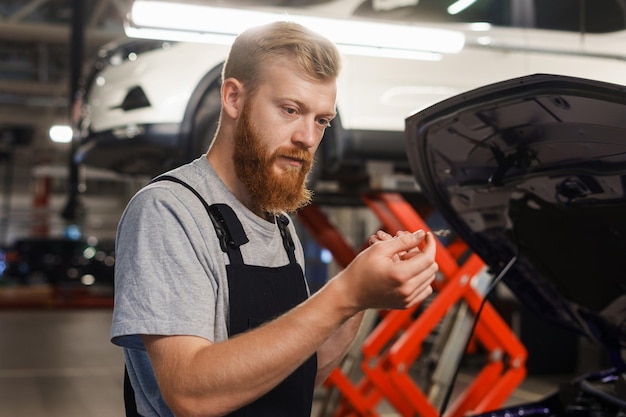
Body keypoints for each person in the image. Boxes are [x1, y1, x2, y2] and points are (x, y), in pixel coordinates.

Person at [111, 21, 438, 417]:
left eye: (321, 120)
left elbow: (294, 374)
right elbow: (190, 393)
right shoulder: (169, 210)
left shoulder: (278, 224)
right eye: (290, 109)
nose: (307, 137)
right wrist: (345, 293)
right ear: (233, 98)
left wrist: (358, 302)